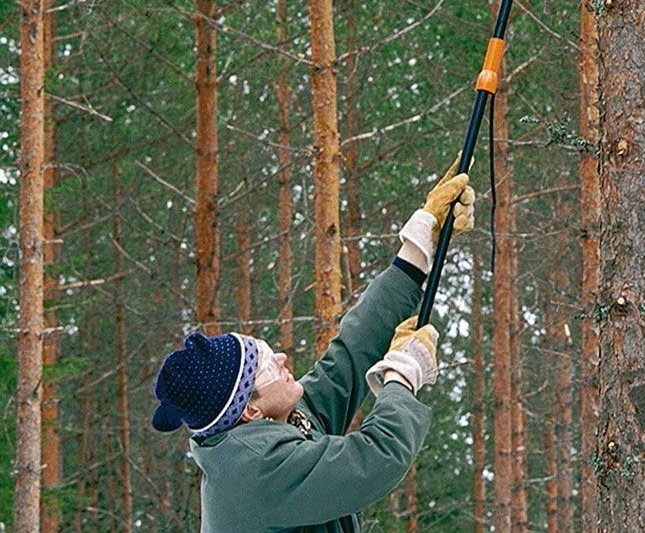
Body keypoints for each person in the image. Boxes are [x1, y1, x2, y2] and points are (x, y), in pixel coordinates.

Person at [150, 157, 475, 533]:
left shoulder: (278, 420)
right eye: (267, 366)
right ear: (250, 410)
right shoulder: (256, 471)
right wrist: (403, 372)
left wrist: (420, 243)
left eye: (268, 350)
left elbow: (350, 356)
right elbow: (376, 458)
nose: (283, 358)